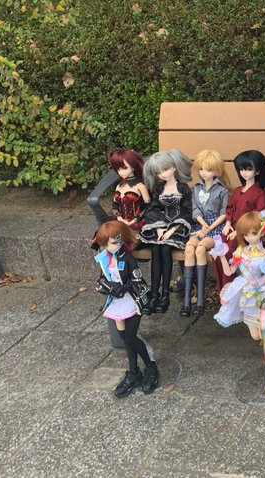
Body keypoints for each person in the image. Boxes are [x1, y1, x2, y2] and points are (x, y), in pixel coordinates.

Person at [213, 211, 265, 396]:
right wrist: (221, 255)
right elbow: (229, 271)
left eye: (253, 233)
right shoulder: (239, 252)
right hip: (248, 297)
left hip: (263, 297)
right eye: (246, 234)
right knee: (256, 336)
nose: (250, 237)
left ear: (262, 231)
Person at [93, 220, 159, 397]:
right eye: (108, 243)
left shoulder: (128, 259)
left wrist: (122, 288)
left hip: (131, 301)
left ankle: (150, 366)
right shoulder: (104, 259)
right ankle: (134, 372)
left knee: (130, 337)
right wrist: (107, 287)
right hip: (116, 303)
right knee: (125, 338)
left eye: (113, 242)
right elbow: (102, 278)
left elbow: (137, 281)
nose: (111, 246)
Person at [139, 150, 193, 314]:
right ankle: (154, 295)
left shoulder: (183, 188)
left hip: (178, 228)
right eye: (158, 172)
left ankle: (165, 296)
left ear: (174, 168)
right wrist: (159, 227)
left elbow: (187, 210)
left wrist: (173, 228)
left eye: (165, 169)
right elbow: (155, 208)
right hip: (162, 226)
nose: (163, 174)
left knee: (165, 249)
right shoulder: (158, 188)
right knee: (156, 249)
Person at [181, 149, 230, 318]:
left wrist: (209, 227)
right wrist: (202, 224)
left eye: (208, 170)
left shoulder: (222, 190)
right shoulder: (196, 188)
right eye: (201, 169)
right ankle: (187, 300)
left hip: (216, 226)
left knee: (201, 249)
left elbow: (224, 213)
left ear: (217, 171)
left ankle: (200, 300)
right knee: (189, 248)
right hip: (200, 224)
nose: (204, 173)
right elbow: (195, 209)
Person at [214, 150, 265, 290]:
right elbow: (230, 208)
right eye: (241, 169)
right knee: (218, 250)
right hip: (233, 228)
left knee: (228, 252)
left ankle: (229, 287)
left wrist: (239, 231)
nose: (244, 173)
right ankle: (222, 288)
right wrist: (228, 223)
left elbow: (259, 217)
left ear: (257, 171)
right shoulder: (237, 190)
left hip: (249, 233)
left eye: (249, 169)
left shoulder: (259, 194)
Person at [109, 148, 150, 231]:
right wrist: (119, 218)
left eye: (124, 168)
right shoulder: (119, 185)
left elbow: (148, 207)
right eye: (118, 169)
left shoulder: (140, 186)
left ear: (133, 166)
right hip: (120, 221)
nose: (121, 172)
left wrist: (134, 220)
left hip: (138, 222)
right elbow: (115, 205)